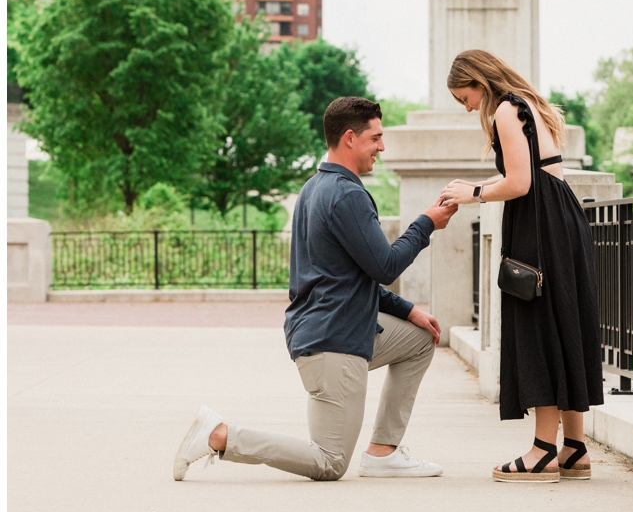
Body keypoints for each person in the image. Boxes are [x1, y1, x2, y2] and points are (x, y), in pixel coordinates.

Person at [173, 97, 458, 482]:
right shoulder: (347, 195)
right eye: (376, 138)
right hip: (333, 339)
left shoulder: (315, 188)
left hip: (337, 327)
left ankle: (383, 452)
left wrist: (408, 311)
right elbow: (384, 266)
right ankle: (220, 436)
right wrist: (425, 223)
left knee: (420, 338)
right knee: (329, 461)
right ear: (350, 138)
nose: (382, 147)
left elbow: (347, 275)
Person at [436, 49, 602, 483]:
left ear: (478, 82)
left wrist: (473, 191)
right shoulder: (528, 104)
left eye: (464, 96)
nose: (467, 106)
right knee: (563, 325)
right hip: (560, 218)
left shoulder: (506, 111)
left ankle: (543, 450)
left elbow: (520, 183)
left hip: (540, 225)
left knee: (539, 328)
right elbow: (535, 174)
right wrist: (476, 188)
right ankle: (574, 449)